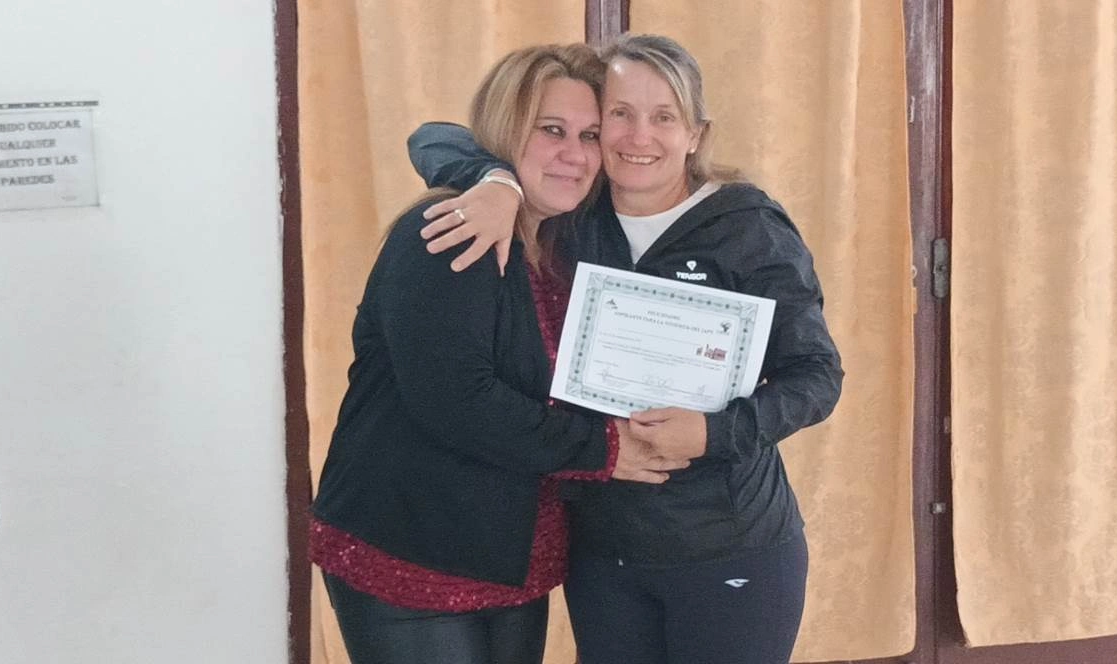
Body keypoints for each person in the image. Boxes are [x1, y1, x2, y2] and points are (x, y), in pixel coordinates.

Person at [407, 34, 844, 664]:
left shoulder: (748, 227)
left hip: (729, 545)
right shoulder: (571, 210)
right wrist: (496, 181)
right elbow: (432, 138)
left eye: (664, 116)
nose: (640, 136)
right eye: (620, 113)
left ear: (695, 134)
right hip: (602, 552)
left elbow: (817, 376)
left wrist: (712, 433)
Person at [309, 43, 693, 664]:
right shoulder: (451, 230)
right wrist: (606, 449)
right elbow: (459, 402)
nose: (576, 154)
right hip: (411, 550)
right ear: (505, 131)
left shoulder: (560, 239)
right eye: (551, 130)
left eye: (590, 135)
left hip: (510, 555)